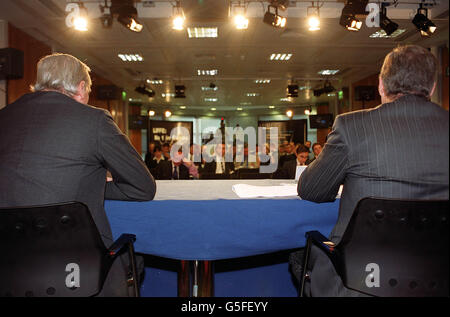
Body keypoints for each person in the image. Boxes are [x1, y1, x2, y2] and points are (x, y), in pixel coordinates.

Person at [291, 45, 449, 297]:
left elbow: (312, 189)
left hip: (358, 285)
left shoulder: (351, 127)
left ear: (381, 86)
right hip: (438, 281)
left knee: (298, 258)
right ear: (431, 88)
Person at [0, 53, 157, 296]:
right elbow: (143, 187)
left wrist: (85, 180)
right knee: (135, 261)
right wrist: (94, 185)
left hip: (12, 266)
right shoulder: (94, 120)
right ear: (81, 87)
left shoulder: (4, 116)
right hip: (81, 269)